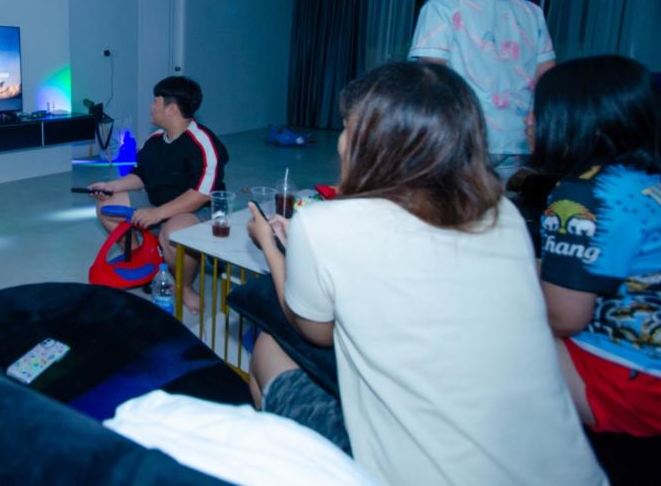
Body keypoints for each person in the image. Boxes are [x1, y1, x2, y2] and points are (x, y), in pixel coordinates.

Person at [246, 61, 603, 485]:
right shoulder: (501, 213)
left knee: (268, 348)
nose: (339, 142)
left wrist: (270, 246)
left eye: (345, 127)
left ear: (369, 142)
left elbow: (315, 331)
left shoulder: (324, 224)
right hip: (571, 473)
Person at [531, 55, 661, 436]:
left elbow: (565, 319)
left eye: (537, 110)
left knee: (480, 325)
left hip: (628, 383)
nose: (528, 121)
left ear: (576, 118)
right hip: (649, 369)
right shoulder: (642, 182)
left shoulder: (583, 196)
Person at [409, 0, 555, 183]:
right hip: (519, 137)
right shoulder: (530, 10)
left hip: (465, 132)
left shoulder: (444, 4)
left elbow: (432, 76)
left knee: (455, 203)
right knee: (503, 202)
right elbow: (548, 77)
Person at [87, 76, 227, 312]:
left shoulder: (203, 143)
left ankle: (184, 287)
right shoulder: (154, 140)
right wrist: (111, 186)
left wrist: (157, 213)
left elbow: (201, 195)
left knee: (174, 234)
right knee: (106, 207)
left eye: (156, 101)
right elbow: (141, 175)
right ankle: (143, 257)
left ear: (171, 109)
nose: (151, 105)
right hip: (158, 205)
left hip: (197, 211)